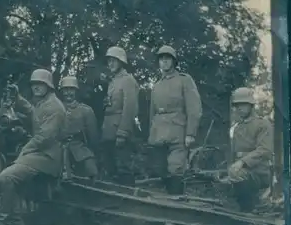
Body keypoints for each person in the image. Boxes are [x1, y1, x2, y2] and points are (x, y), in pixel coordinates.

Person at [0, 69, 66, 225]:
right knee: (10, 172)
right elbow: (31, 113)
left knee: (7, 176)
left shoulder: (55, 107)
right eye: (34, 84)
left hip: (47, 157)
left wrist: (24, 150)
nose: (36, 87)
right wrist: (17, 97)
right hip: (39, 154)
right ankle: (16, 221)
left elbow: (44, 137)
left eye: (40, 84)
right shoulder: (43, 103)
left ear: (48, 86)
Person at [148, 45, 202, 195]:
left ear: (174, 61)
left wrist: (191, 133)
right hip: (158, 134)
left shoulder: (184, 80)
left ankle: (178, 207)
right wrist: (151, 134)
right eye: (161, 59)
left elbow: (194, 108)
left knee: (176, 169)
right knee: (159, 170)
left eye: (167, 58)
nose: (164, 62)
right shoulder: (157, 85)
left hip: (178, 132)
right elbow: (152, 112)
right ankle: (163, 206)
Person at [225, 87, 273, 212]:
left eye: (243, 104)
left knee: (236, 174)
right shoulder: (237, 128)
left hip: (259, 172)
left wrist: (242, 162)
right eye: (236, 105)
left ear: (251, 105)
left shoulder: (263, 124)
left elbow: (264, 150)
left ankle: (248, 211)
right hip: (242, 172)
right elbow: (233, 154)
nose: (239, 108)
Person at [99, 46, 140, 186]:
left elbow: (130, 108)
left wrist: (123, 132)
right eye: (109, 61)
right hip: (109, 130)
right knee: (111, 169)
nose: (110, 64)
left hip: (119, 130)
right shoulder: (112, 82)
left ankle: (130, 204)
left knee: (123, 169)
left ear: (121, 62)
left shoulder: (128, 80)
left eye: (114, 61)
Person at [59, 76, 99, 180]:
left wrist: (91, 151)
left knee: (91, 170)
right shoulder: (55, 108)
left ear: (76, 91)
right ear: (62, 91)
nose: (68, 93)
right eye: (65, 90)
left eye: (71, 89)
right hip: (57, 149)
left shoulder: (86, 111)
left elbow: (93, 136)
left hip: (79, 148)